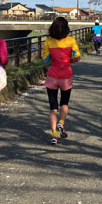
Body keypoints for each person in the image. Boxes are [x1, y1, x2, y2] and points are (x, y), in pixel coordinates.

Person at [42, 16, 81, 144]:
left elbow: (45, 60)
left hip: (52, 76)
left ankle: (54, 134)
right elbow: (77, 56)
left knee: (53, 108)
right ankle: (61, 122)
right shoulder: (71, 40)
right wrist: (69, 60)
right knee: (64, 103)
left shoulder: (48, 42)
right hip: (66, 76)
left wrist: (53, 58)